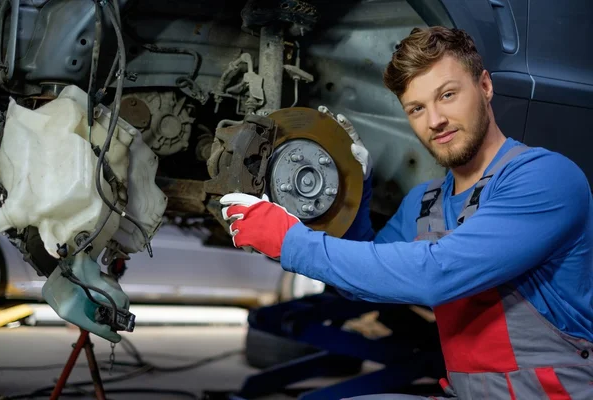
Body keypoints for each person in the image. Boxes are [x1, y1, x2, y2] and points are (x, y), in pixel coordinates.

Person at [220, 26, 593, 399]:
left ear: (485, 86)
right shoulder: (425, 202)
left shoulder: (545, 179)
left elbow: (435, 274)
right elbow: (366, 289)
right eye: (417, 108)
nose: (435, 121)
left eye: (447, 95)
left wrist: (291, 242)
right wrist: (356, 196)